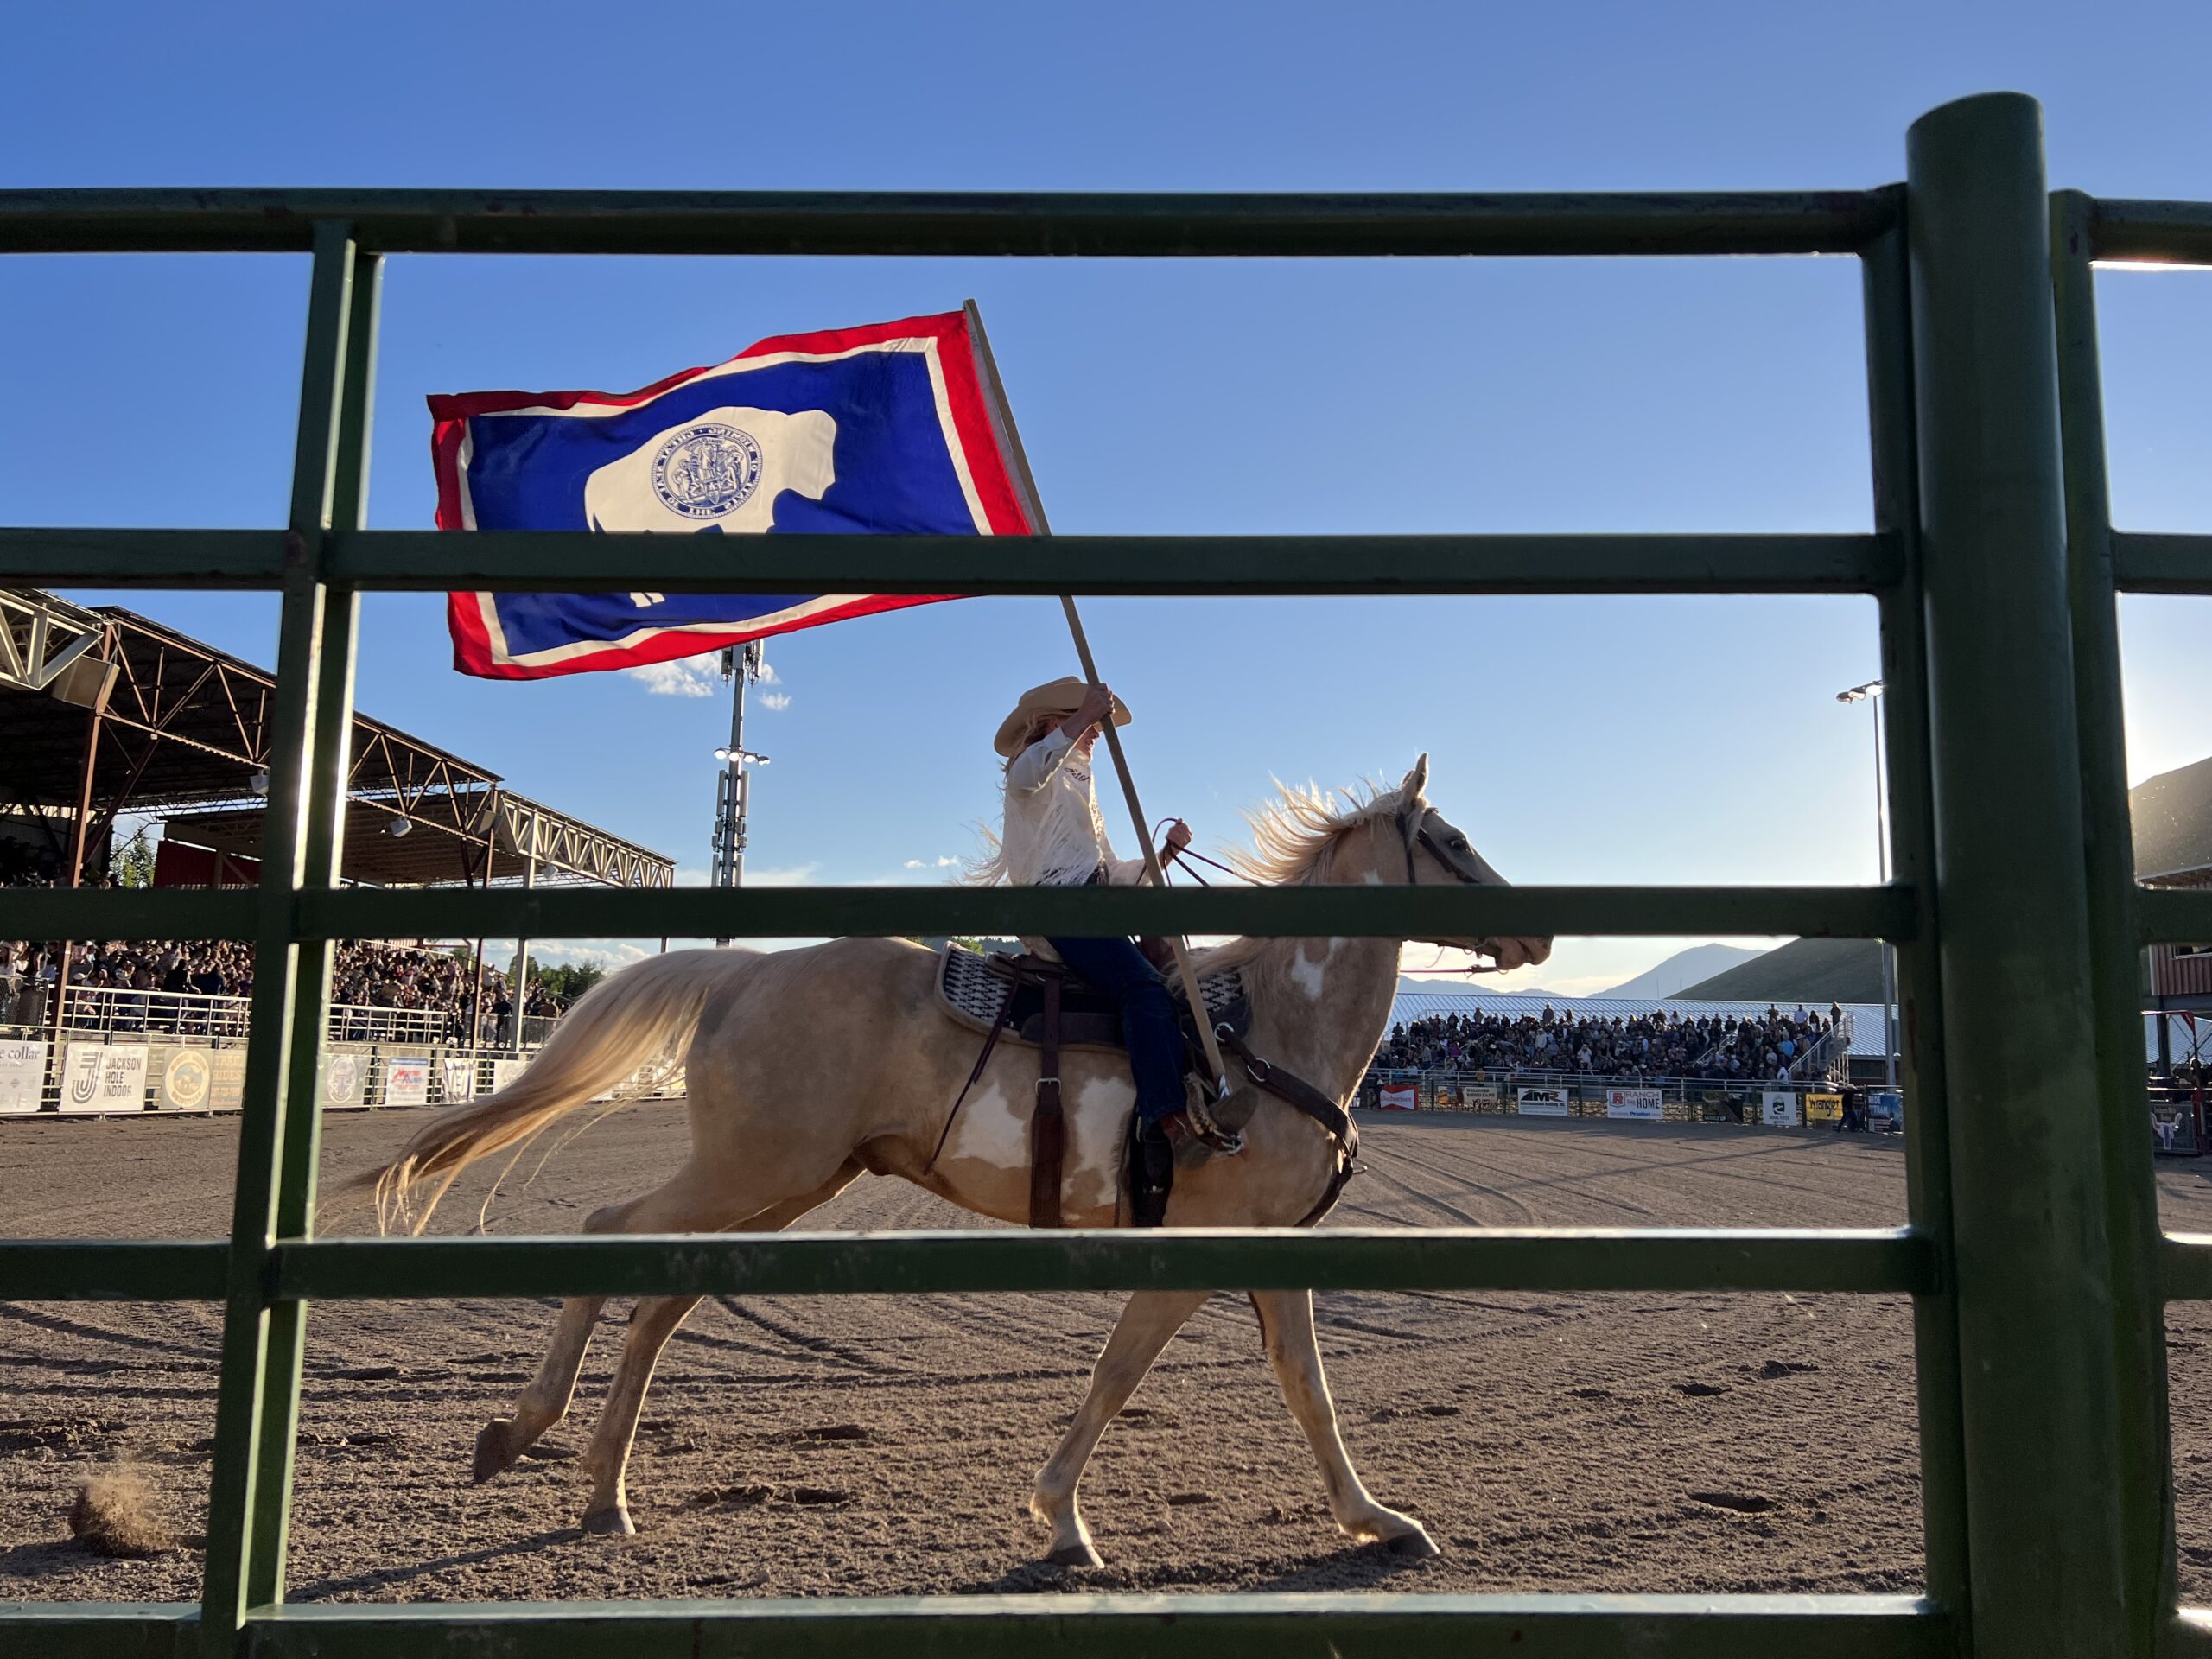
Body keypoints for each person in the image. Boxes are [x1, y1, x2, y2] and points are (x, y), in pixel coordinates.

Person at [991, 676, 1235, 1160]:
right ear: (1054, 722)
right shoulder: (1032, 768)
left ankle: (1184, 1095)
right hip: (1061, 908)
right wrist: (1083, 716)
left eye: (1097, 722)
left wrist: (1163, 855)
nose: (1099, 730)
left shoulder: (1080, 780)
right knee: (1142, 989)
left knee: (1163, 982)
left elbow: (1110, 869)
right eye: (1090, 721)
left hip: (1091, 907)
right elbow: (1025, 777)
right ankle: (1162, 1118)